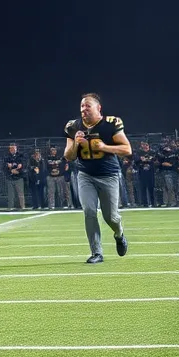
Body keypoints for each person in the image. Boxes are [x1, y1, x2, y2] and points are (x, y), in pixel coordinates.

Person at [64, 93, 130, 264]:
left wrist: (104, 147)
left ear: (98, 108)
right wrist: (77, 143)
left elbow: (127, 149)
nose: (83, 109)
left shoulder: (110, 124)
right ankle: (96, 252)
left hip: (109, 175)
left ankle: (119, 234)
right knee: (89, 211)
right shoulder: (73, 127)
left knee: (111, 217)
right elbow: (69, 156)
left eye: (88, 106)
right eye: (82, 106)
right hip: (85, 174)